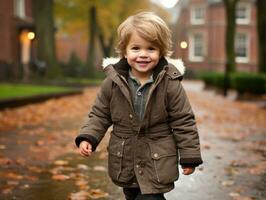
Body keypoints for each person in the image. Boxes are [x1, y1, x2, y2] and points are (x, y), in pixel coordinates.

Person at [75, 11, 203, 200]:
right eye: (136, 48)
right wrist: (89, 137)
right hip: (125, 157)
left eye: (151, 49)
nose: (143, 54)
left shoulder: (170, 83)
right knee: (132, 195)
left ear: (161, 52)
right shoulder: (113, 82)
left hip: (157, 159)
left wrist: (189, 155)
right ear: (125, 51)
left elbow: (183, 121)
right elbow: (100, 114)